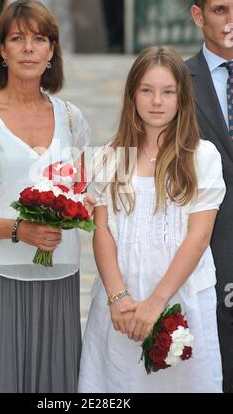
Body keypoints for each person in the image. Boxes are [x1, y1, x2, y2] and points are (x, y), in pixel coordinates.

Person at [0, 0, 92, 393]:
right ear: (3, 51)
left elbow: (82, 196)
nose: (29, 47)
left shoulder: (73, 120)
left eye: (39, 39)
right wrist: (18, 230)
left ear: (52, 51)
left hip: (57, 275)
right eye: (17, 38)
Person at [78, 46, 225, 393]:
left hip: (180, 298)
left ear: (182, 98)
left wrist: (156, 304)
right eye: (146, 90)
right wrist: (117, 298)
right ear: (132, 95)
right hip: (121, 305)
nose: (156, 101)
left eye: (167, 92)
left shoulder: (202, 157)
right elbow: (102, 231)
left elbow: (198, 238)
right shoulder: (109, 157)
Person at [186, 0, 233, 394]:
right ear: (199, 16)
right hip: (207, 246)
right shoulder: (178, 84)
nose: (230, 20)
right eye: (221, 10)